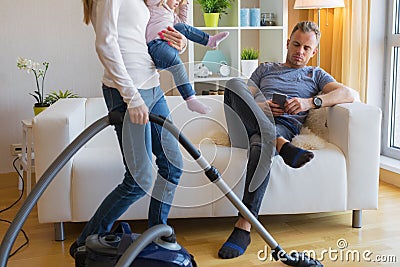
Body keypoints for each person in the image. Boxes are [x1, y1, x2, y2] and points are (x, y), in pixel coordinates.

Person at [218, 21, 355, 259]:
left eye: (306, 48)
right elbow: (240, 97)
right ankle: (280, 145)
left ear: (314, 52)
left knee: (262, 144)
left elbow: (349, 94)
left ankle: (244, 226)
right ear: (287, 43)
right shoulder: (265, 69)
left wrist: (309, 102)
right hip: (245, 126)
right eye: (296, 44)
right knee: (233, 83)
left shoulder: (316, 74)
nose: (299, 52)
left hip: (279, 128)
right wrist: (261, 105)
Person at [69, 0, 188, 259]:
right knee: (139, 180)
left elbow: (147, 36)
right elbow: (105, 43)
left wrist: (180, 41)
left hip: (153, 86)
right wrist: (131, 97)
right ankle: (83, 243)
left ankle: (157, 235)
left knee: (173, 164)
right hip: (127, 92)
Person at [146, 0, 229, 114]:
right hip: (157, 46)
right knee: (177, 64)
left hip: (168, 44)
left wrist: (184, 5)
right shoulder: (155, 5)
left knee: (181, 27)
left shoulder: (172, 14)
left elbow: (184, 25)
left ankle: (210, 40)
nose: (178, 2)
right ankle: (190, 99)